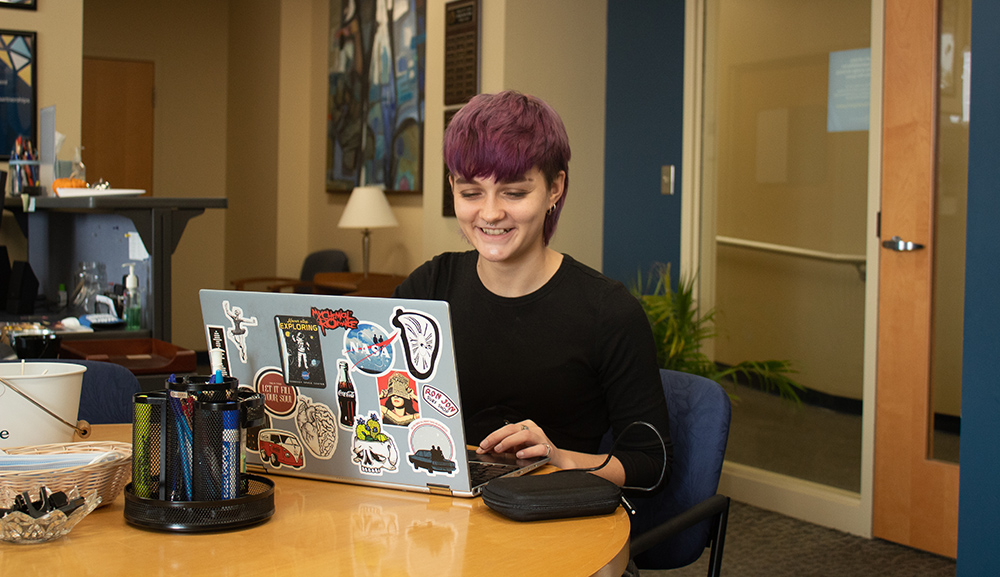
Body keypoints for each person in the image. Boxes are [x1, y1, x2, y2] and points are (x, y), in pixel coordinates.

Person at [393, 90, 672, 490]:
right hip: (444, 514)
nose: (489, 213)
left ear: (554, 189)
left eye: (514, 192)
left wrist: (558, 459)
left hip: (554, 518)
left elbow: (652, 464)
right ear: (453, 187)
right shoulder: (429, 288)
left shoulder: (608, 313)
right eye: (471, 192)